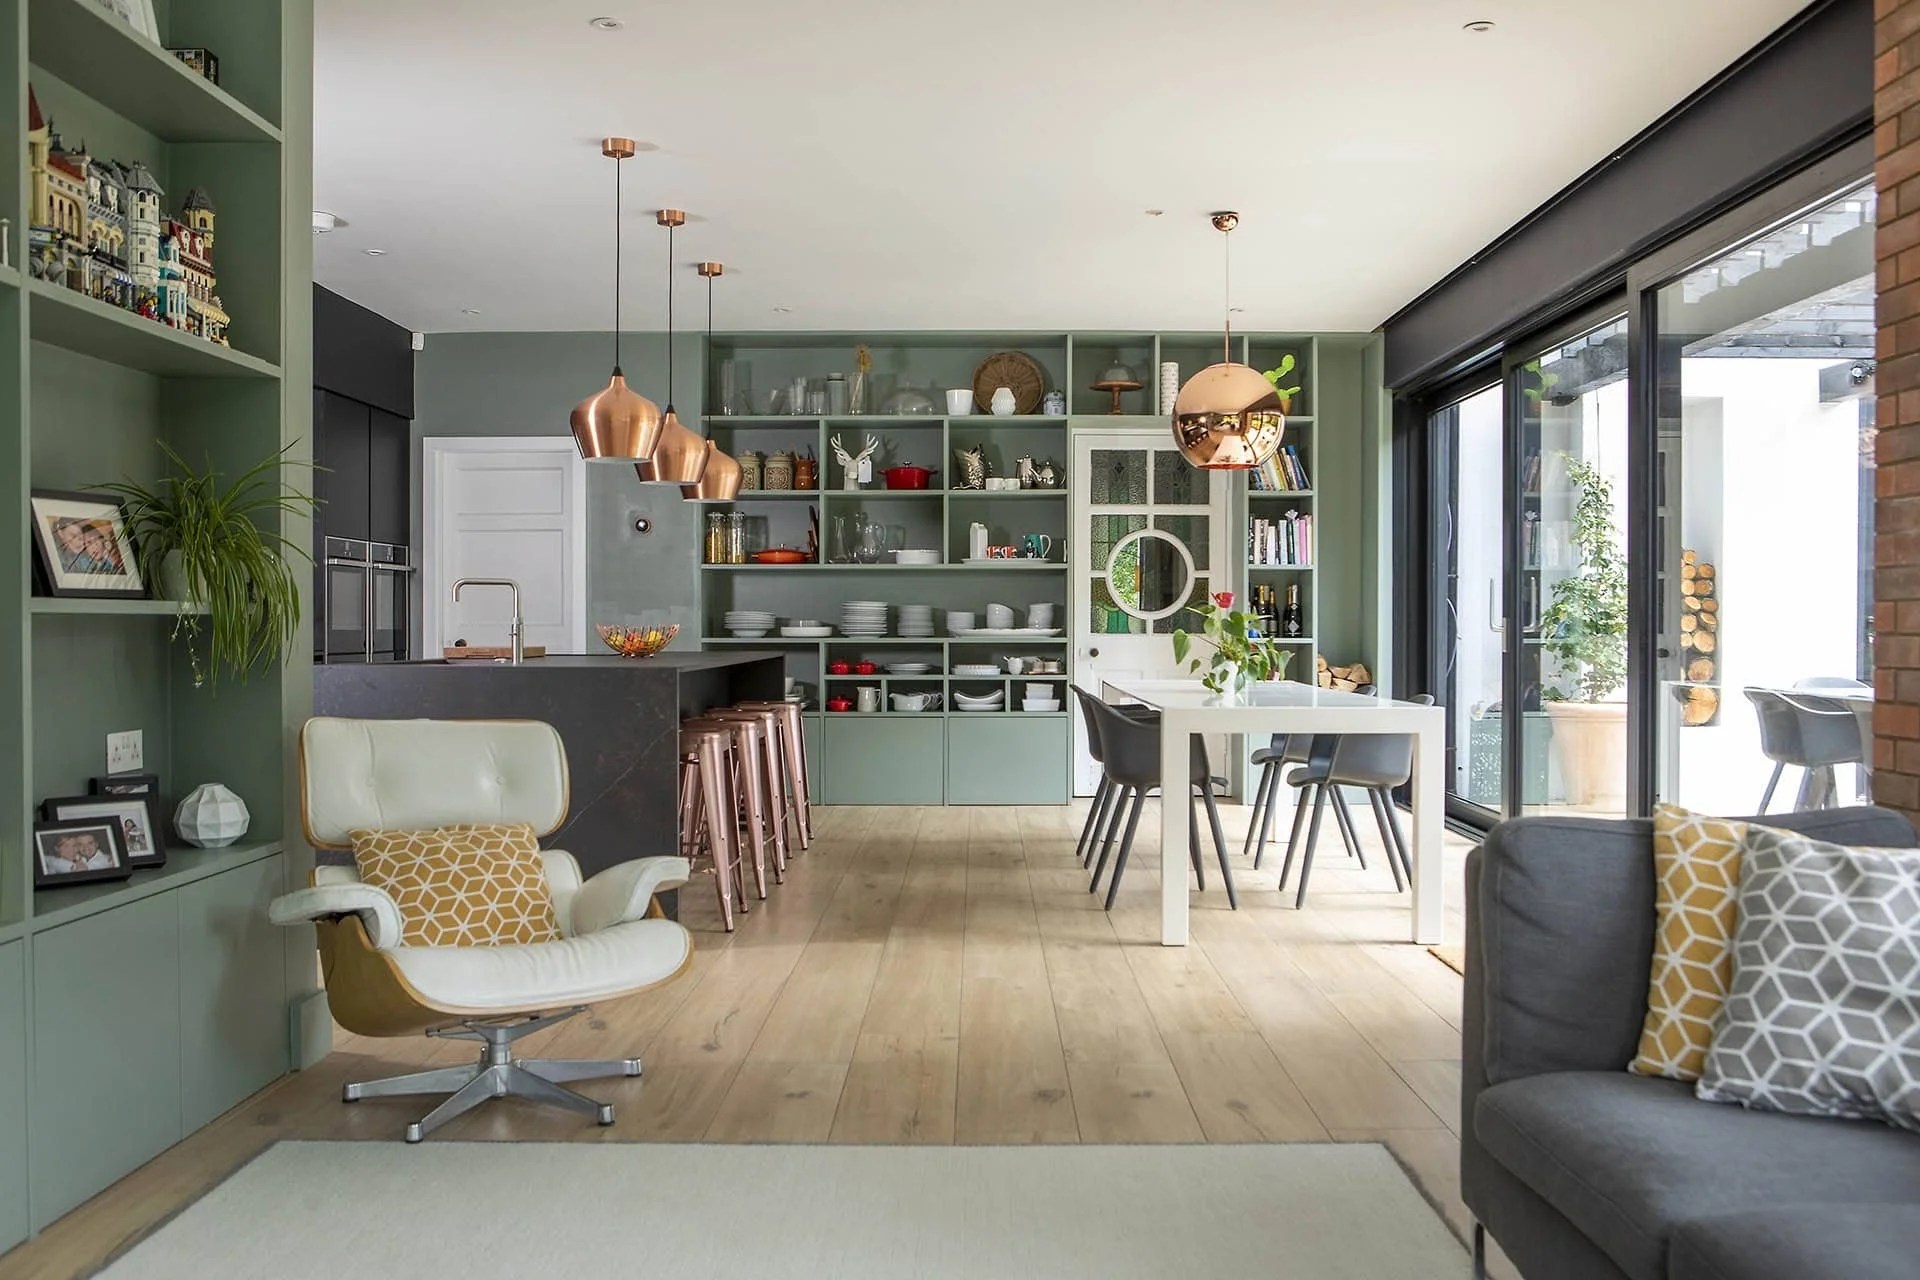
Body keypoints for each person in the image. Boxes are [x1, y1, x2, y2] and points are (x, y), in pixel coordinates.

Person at [45, 831, 112, 874]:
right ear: (56, 848)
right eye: (80, 844)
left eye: (74, 845)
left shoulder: (105, 860)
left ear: (97, 844)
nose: (86, 847)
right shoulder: (56, 862)